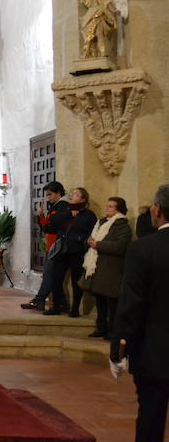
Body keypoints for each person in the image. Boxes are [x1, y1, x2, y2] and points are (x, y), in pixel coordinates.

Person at [110, 184, 169, 442]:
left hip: (155, 352)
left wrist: (119, 351)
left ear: (157, 210)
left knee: (151, 419)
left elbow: (131, 306)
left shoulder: (143, 249)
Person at [80, 196, 131, 340]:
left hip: (111, 268)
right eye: (107, 205)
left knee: (112, 303)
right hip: (97, 266)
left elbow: (120, 246)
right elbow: (92, 239)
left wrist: (98, 245)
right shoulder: (101, 222)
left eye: (110, 206)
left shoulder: (122, 226)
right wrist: (88, 241)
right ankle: (101, 328)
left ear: (118, 209)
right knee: (100, 301)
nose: (106, 208)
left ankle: (112, 331)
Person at [45, 187, 97, 317]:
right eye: (72, 194)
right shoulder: (65, 210)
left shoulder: (89, 215)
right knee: (56, 279)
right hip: (62, 250)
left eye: (76, 194)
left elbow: (92, 232)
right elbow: (54, 222)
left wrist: (81, 240)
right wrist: (70, 213)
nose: (72, 196)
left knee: (76, 281)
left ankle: (75, 309)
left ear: (83, 199)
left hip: (77, 251)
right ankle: (56, 306)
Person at [22, 181, 72, 311]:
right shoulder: (55, 206)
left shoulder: (62, 207)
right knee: (52, 275)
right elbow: (47, 227)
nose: (48, 198)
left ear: (59, 193)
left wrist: (42, 218)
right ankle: (61, 302)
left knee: (49, 274)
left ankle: (40, 300)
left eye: (50, 194)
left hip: (57, 245)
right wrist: (42, 217)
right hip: (52, 244)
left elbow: (50, 227)